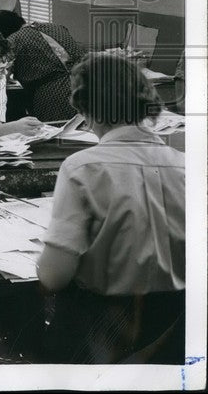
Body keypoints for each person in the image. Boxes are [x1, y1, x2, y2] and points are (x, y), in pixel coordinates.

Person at [37, 55, 184, 364]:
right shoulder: (186, 165)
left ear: (85, 109)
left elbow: (53, 276)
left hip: (102, 332)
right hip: (172, 333)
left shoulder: (81, 168)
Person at [0, 10, 86, 121]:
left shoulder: (13, 40)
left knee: (56, 131)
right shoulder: (56, 27)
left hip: (54, 94)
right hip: (86, 82)